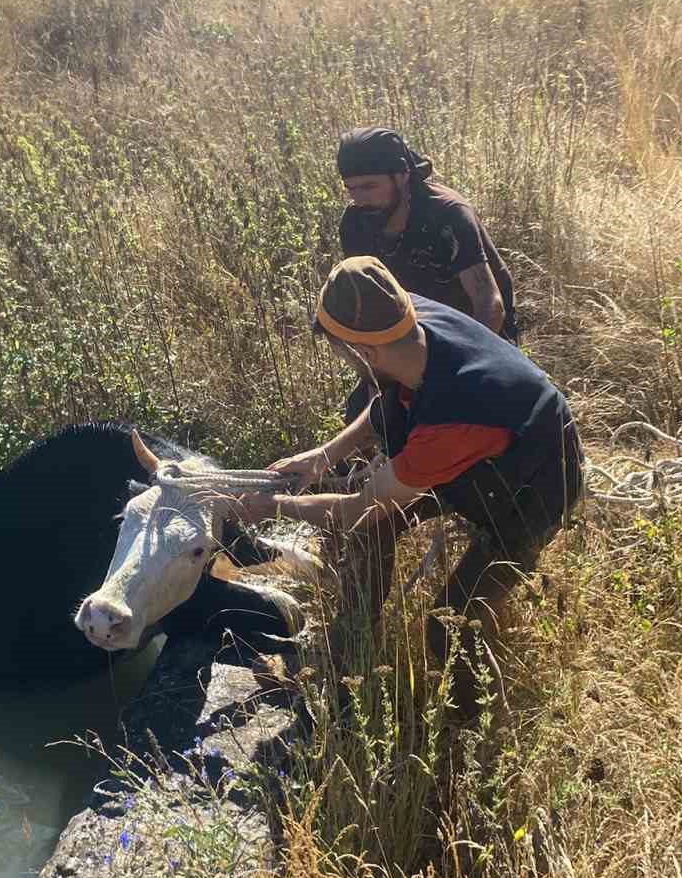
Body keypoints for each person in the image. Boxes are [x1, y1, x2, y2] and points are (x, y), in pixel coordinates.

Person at [234, 257, 582, 721]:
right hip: (472, 456)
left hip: (532, 487)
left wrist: (275, 505)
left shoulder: (451, 420)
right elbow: (384, 397)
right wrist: (324, 456)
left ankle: (472, 729)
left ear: (366, 353)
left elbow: (357, 507)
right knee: (371, 532)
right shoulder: (402, 318)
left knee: (452, 623)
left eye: (343, 352)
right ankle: (351, 648)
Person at [337, 126, 518, 343]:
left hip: (480, 334)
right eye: (351, 188)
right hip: (416, 336)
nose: (359, 199)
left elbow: (489, 305)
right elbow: (364, 298)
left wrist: (461, 363)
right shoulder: (354, 223)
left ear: (402, 175)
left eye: (369, 186)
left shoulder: (447, 214)